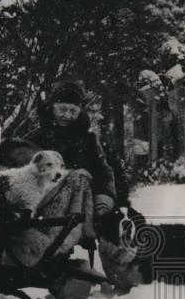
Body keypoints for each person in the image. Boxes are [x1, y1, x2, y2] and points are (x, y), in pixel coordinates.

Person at [23, 79, 117, 217]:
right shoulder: (35, 139)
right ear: (52, 108)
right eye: (62, 109)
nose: (67, 115)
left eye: (73, 111)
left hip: (81, 208)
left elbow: (102, 171)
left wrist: (104, 195)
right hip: (41, 206)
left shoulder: (87, 140)